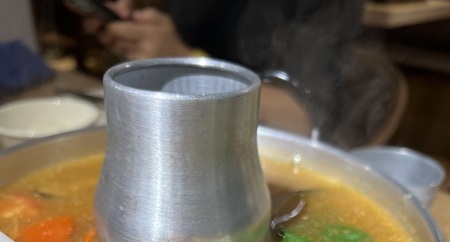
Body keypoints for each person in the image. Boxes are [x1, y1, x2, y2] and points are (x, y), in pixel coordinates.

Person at [70, 0, 365, 139]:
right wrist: (137, 26)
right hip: (175, 134)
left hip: (256, 152)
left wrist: (183, 61)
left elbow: (300, 121)